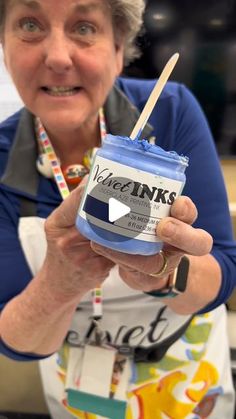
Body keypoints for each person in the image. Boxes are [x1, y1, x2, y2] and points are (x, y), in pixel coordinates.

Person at [0, 1, 236, 418]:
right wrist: (58, 283)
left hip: (186, 386)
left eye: (85, 27)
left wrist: (165, 273)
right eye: (30, 24)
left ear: (117, 44)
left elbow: (225, 271)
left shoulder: (172, 111)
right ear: (4, 42)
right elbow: (16, 341)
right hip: (79, 396)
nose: (57, 57)